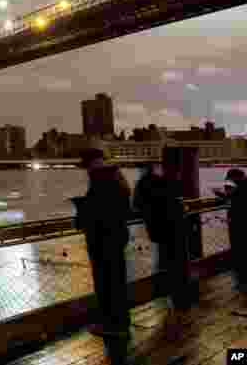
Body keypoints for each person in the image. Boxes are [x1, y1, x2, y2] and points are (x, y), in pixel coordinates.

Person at [74, 148, 132, 365]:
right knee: (117, 281)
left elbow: (95, 213)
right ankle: (121, 323)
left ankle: (111, 325)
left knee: (105, 283)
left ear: (92, 165)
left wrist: (81, 212)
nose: (86, 171)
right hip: (117, 237)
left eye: (86, 166)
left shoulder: (100, 182)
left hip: (102, 241)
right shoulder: (118, 179)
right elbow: (122, 209)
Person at [135, 161, 191, 335]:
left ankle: (168, 293)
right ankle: (182, 299)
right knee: (179, 262)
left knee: (168, 262)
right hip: (177, 227)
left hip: (162, 230)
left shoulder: (145, 183)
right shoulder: (165, 183)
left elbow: (137, 204)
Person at [216, 168, 246, 291]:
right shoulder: (242, 187)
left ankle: (242, 282)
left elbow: (234, 198)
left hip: (238, 225)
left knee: (239, 251)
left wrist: (221, 194)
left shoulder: (241, 188)